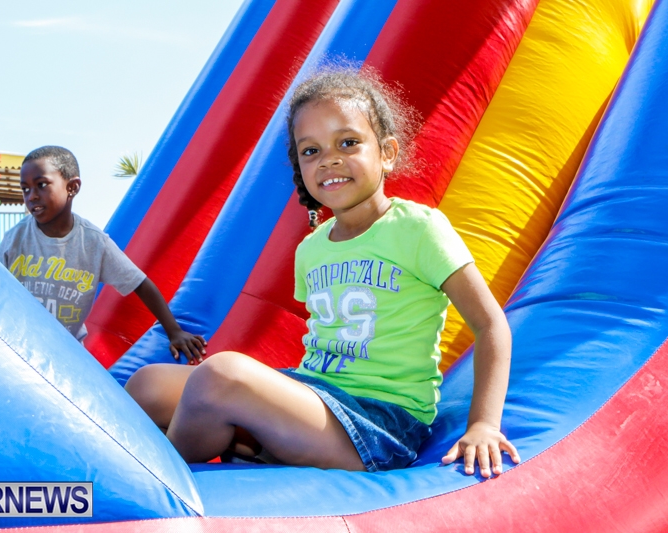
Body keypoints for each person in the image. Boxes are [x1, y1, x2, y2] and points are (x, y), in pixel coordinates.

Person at [125, 68, 519, 475]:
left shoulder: (417, 229)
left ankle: (157, 481)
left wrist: (484, 424)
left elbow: (491, 325)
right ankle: (247, 442)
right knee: (146, 384)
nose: (329, 159)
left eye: (348, 142)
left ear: (386, 152)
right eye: (310, 150)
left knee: (218, 376)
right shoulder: (312, 248)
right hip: (314, 394)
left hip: (378, 420)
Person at [0, 146, 206, 363]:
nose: (31, 196)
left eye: (41, 185)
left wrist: (174, 331)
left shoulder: (94, 242)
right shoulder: (15, 238)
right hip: (17, 346)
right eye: (25, 189)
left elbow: (141, 284)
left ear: (72, 187)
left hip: (66, 355)